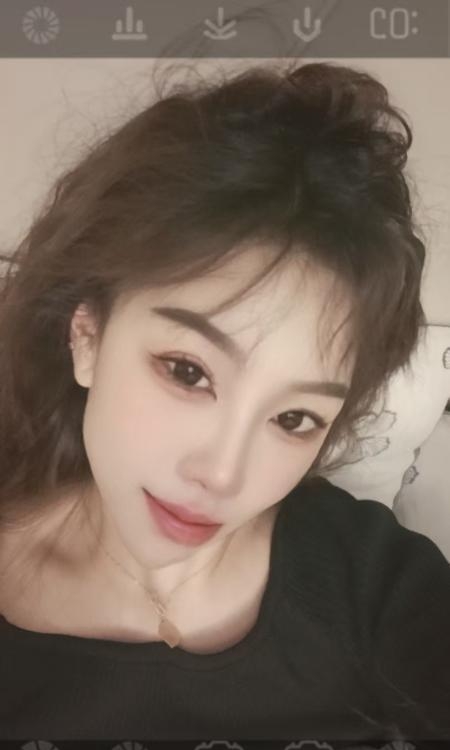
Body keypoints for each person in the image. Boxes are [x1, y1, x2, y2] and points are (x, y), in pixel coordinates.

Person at [0, 60, 448, 745]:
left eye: (294, 419)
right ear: (86, 336)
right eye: (188, 372)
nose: (222, 475)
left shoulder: (370, 578)